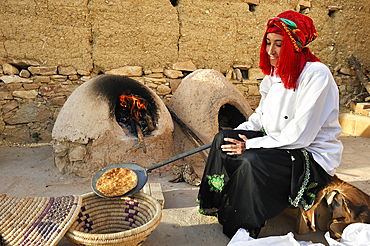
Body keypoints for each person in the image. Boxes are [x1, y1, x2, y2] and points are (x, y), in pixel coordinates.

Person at [197, 10, 343, 239]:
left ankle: (243, 226)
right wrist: (240, 134)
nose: (270, 51)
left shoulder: (316, 74)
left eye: (279, 44)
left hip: (309, 154)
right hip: (279, 142)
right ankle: (222, 206)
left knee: (250, 160)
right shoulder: (276, 72)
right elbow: (261, 116)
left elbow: (300, 135)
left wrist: (251, 145)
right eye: (268, 42)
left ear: (295, 45)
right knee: (222, 139)